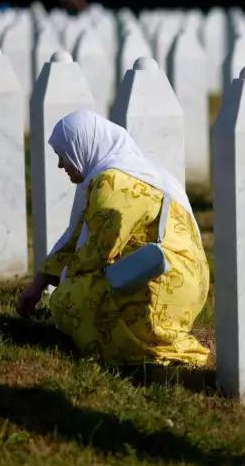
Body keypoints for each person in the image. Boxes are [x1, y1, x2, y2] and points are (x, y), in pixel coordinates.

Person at [15, 110, 210, 367]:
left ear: (82, 147)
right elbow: (75, 240)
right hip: (181, 279)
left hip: (161, 282)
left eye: (63, 154)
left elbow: (98, 250)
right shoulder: (127, 173)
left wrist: (65, 282)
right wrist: (37, 285)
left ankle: (147, 354)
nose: (61, 164)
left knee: (67, 299)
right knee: (76, 288)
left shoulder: (113, 182)